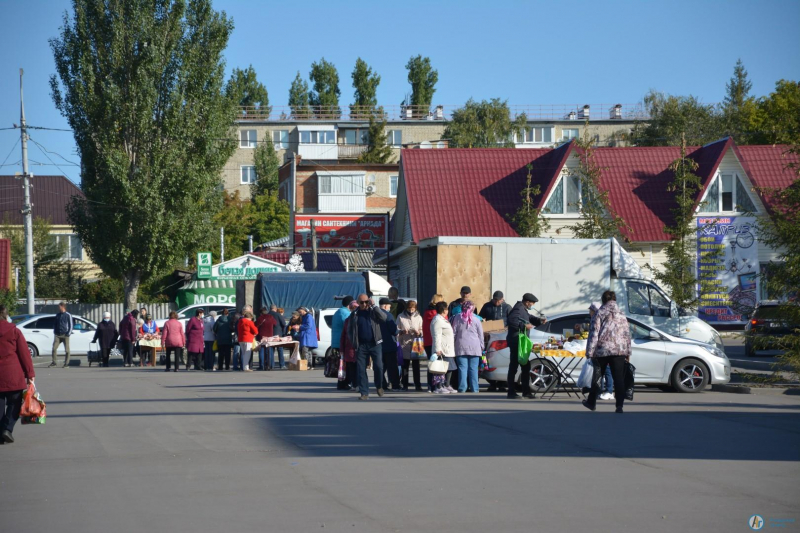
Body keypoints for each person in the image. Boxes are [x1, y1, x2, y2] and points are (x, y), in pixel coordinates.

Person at [583, 291, 632, 413]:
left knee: (598, 377)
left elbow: (594, 333)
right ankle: (619, 406)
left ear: (603, 300)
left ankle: (591, 402)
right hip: (619, 351)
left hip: (602, 350)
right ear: (615, 300)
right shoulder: (621, 314)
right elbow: (627, 334)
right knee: (619, 378)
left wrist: (590, 351)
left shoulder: (599, 313)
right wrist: (628, 352)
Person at [0, 304, 35, 444]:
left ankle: (1, 431)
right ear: (6, 315)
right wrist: (30, 373)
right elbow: (24, 354)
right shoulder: (14, 331)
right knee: (14, 403)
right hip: (13, 374)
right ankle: (7, 429)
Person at [346, 294, 388, 400]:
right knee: (361, 369)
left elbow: (384, 318)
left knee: (378, 367)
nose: (364, 304)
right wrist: (354, 342)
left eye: (366, 302)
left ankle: (379, 386)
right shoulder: (354, 314)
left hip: (375, 344)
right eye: (362, 302)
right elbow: (349, 330)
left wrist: (374, 306)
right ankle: (364, 393)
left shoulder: (373, 312)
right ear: (358, 303)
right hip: (361, 345)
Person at [506, 293, 546, 399]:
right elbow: (511, 321)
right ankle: (511, 392)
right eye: (532, 303)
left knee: (525, 366)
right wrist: (524, 326)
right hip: (516, 341)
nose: (532, 305)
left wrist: (539, 321)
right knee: (514, 366)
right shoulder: (518, 308)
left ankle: (525, 391)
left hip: (520, 342)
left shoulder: (523, 309)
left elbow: (529, 318)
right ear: (527, 302)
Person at [453, 300, 485, 393]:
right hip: (475, 347)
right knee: (473, 369)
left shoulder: (457, 318)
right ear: (473, 309)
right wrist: (482, 346)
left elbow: (454, 333)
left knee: (462, 368)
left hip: (461, 346)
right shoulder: (476, 319)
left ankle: (462, 388)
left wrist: (453, 344)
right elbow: (480, 335)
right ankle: (475, 388)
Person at [586, 302, 614, 401]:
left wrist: (590, 351)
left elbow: (594, 337)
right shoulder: (597, 319)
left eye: (591, 311)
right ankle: (600, 390)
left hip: (603, 350)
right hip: (599, 350)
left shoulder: (600, 319)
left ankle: (609, 391)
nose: (590, 312)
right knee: (599, 371)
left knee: (606, 371)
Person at [398, 300, 424, 391]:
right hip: (404, 343)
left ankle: (418, 385)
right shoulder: (401, 317)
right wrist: (402, 332)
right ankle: (405, 385)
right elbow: (396, 330)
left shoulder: (419, 317)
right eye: (410, 309)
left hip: (416, 343)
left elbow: (422, 330)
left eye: (413, 309)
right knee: (405, 366)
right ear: (407, 308)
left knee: (416, 366)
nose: (411, 311)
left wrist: (419, 332)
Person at [431, 301, 456, 394]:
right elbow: (436, 335)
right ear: (444, 310)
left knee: (450, 367)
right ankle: (438, 386)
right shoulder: (437, 320)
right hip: (442, 349)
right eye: (446, 309)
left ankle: (446, 384)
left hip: (448, 348)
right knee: (440, 369)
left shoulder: (443, 319)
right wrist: (437, 349)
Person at [378, 298, 401, 391]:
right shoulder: (388, 315)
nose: (390, 307)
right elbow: (393, 330)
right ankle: (395, 384)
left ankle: (382, 384)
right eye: (389, 305)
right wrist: (398, 331)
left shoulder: (374, 314)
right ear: (385, 305)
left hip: (378, 345)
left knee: (381, 367)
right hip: (389, 344)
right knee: (392, 367)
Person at [332, 297, 354, 390]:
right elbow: (349, 325)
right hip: (342, 342)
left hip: (337, 342)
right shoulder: (345, 313)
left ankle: (342, 383)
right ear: (350, 304)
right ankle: (344, 383)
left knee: (343, 364)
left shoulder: (338, 311)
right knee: (346, 365)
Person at [50, 301, 73, 368]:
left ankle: (66, 363)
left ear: (63, 306)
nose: (58, 308)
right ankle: (54, 362)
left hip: (65, 335)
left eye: (59, 306)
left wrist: (68, 333)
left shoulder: (68, 315)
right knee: (54, 348)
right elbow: (55, 323)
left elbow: (71, 325)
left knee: (67, 350)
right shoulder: (58, 315)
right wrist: (55, 331)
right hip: (57, 335)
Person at [268, 305, 287, 369]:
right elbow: (284, 324)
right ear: (275, 309)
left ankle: (271, 365)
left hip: (269, 335)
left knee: (271, 350)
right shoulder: (278, 314)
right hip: (278, 334)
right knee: (280, 349)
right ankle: (282, 365)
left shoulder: (267, 314)